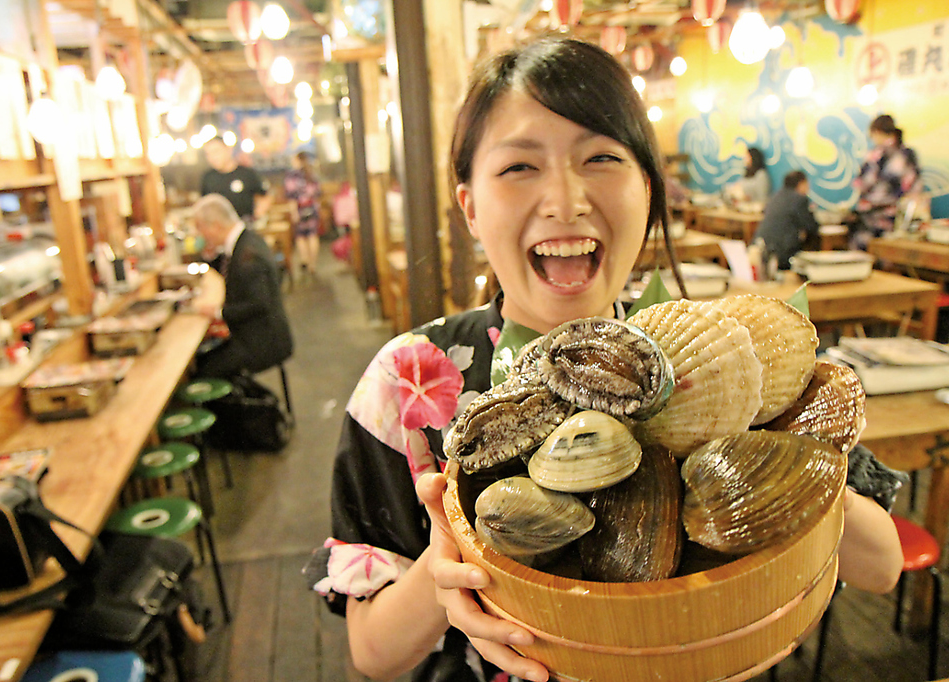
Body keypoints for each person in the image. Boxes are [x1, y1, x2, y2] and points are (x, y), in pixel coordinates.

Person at [306, 37, 904, 682]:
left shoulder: (720, 355)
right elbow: (371, 654)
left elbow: (881, 565)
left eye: (600, 157)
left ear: (647, 192)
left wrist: (773, 486)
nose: (566, 200)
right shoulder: (412, 377)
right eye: (518, 167)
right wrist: (444, 568)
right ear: (470, 207)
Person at [190, 193, 293, 378]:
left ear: (216, 225)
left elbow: (258, 304)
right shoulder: (244, 241)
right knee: (205, 358)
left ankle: (241, 403)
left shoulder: (249, 254)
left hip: (264, 342)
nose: (200, 235)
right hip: (255, 333)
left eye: (200, 228)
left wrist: (217, 313)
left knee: (203, 368)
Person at [849, 114, 921, 250]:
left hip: (881, 219)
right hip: (896, 219)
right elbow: (915, 187)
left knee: (864, 253)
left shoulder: (878, 155)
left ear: (877, 132)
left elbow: (863, 183)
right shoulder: (907, 154)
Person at [752, 170, 820, 272]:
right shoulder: (800, 199)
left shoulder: (775, 197)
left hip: (760, 249)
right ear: (801, 184)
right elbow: (811, 227)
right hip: (782, 254)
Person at [200, 136, 271, 222]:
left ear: (229, 150)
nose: (213, 157)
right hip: (219, 228)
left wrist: (258, 214)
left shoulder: (246, 173)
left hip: (245, 226)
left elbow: (265, 195)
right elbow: (203, 204)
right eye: (208, 154)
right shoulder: (208, 177)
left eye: (216, 152)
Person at [283, 151, 323, 277]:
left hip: (300, 209)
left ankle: (305, 260)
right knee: (312, 235)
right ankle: (313, 264)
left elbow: (291, 197)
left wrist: (294, 212)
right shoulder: (311, 174)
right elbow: (318, 193)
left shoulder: (291, 177)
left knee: (301, 236)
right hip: (313, 208)